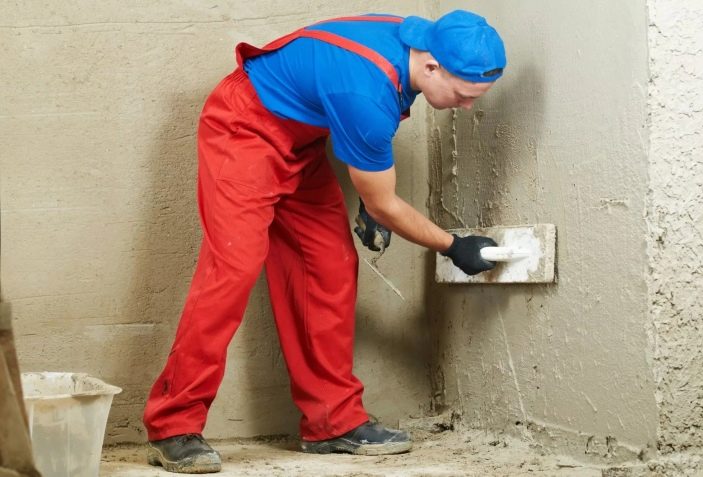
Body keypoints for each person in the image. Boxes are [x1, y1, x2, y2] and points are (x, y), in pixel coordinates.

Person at [143, 9, 506, 473]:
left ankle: (332, 422)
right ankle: (172, 425)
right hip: (244, 128)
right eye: (463, 95)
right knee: (233, 268)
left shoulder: (413, 46)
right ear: (432, 65)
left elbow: (349, 106)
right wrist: (453, 246)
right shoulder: (366, 91)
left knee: (330, 265)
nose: (466, 107)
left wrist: (373, 196)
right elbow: (380, 183)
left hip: (301, 142)